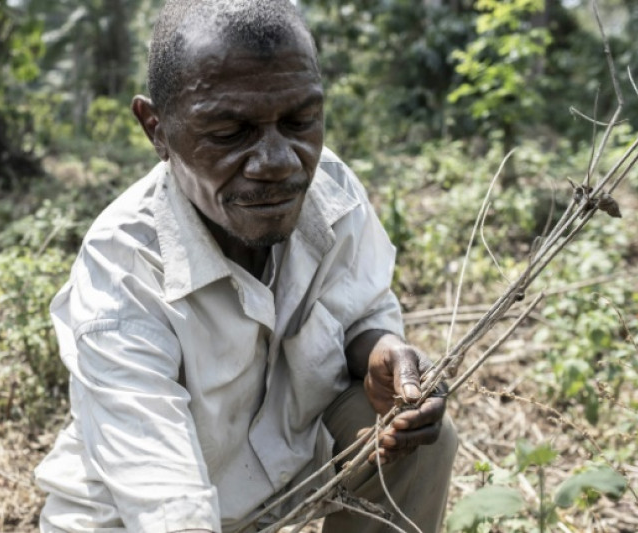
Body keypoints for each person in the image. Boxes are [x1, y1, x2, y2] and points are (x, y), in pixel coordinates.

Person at [34, 1, 458, 531]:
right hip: (136, 517)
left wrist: (381, 351)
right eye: (231, 133)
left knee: (413, 436)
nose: (277, 163)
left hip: (283, 479)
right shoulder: (122, 272)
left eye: (300, 121)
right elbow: (168, 505)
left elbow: (361, 314)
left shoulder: (333, 194)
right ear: (156, 129)